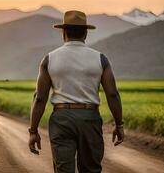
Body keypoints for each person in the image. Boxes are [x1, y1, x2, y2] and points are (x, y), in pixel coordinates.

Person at [28, 10, 124, 173]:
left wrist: (33, 131)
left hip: (61, 119)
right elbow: (112, 94)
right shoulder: (100, 59)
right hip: (90, 118)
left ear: (63, 32)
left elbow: (39, 98)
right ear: (85, 33)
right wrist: (119, 124)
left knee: (63, 169)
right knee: (91, 169)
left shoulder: (49, 59)